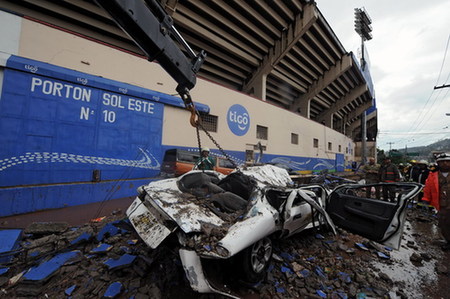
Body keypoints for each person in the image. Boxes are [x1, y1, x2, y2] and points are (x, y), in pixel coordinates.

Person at [422, 153, 450, 250]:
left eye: (447, 161)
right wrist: (425, 201)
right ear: (438, 163)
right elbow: (427, 189)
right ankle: (448, 241)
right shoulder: (432, 176)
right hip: (442, 205)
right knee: (443, 224)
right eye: (442, 162)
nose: (445, 164)